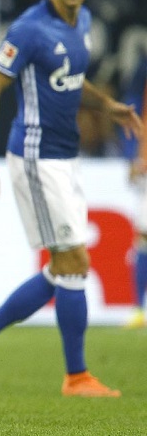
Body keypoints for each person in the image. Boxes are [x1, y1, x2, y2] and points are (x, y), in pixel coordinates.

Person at [0, 0, 141, 398]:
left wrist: (106, 105)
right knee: (75, 262)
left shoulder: (84, 21)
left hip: (65, 157)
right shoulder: (29, 29)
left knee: (63, 268)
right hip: (35, 158)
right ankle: (76, 376)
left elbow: (69, 78)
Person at [124, 65, 147, 328]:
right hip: (146, 166)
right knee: (143, 239)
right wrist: (132, 154)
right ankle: (139, 309)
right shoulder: (142, 70)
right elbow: (132, 110)